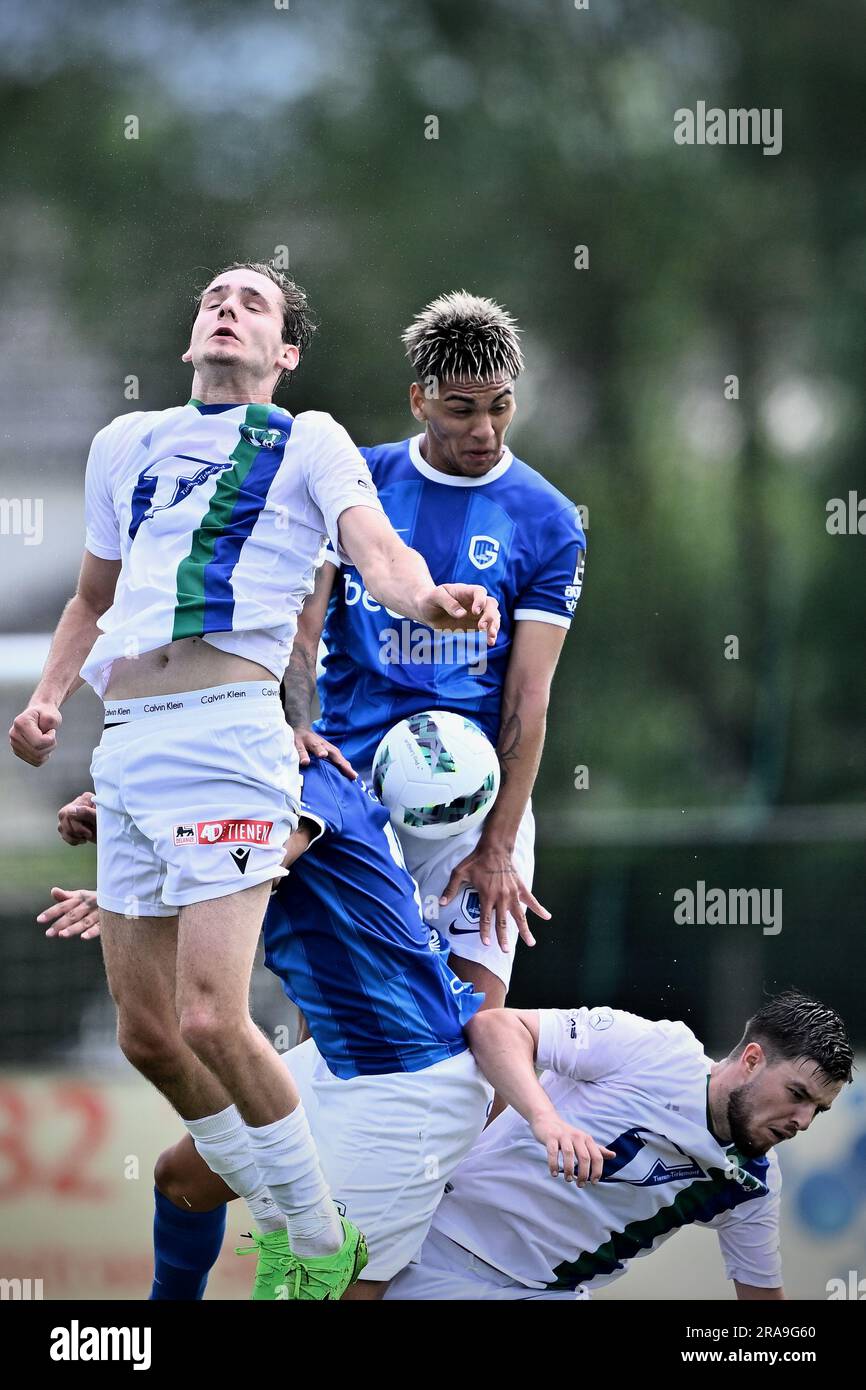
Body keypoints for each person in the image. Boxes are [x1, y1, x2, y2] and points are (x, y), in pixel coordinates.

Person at [11, 261, 499, 1300]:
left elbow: (381, 558)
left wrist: (432, 600)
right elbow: (93, 597)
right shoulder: (123, 444)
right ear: (193, 334)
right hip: (130, 740)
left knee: (207, 1019)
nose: (224, 308)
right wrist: (52, 696)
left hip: (231, 737)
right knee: (150, 1035)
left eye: (253, 305)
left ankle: (317, 1244)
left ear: (283, 354)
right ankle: (289, 1214)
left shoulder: (306, 440)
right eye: (212, 298)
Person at [38, 756, 498, 1300]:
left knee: (318, 1292)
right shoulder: (237, 783)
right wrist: (123, 863)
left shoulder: (299, 778)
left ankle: (316, 1248)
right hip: (340, 1056)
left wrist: (129, 849)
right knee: (183, 1181)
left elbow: (243, 875)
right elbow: (223, 877)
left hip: (410, 1078)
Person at [284, 291, 587, 1010]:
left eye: (500, 407)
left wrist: (500, 845)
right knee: (338, 1031)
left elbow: (528, 693)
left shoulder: (548, 520)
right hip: (348, 789)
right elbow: (300, 630)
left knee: (479, 1036)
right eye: (462, 410)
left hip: (475, 807)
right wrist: (293, 722)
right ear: (420, 400)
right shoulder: (355, 482)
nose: (485, 429)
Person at [383, 991, 853, 1300]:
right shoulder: (655, 1050)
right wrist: (546, 1120)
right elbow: (495, 1028)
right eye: (797, 1095)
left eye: (819, 1110)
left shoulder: (754, 1183)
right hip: (433, 1251)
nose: (804, 1121)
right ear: (752, 1060)